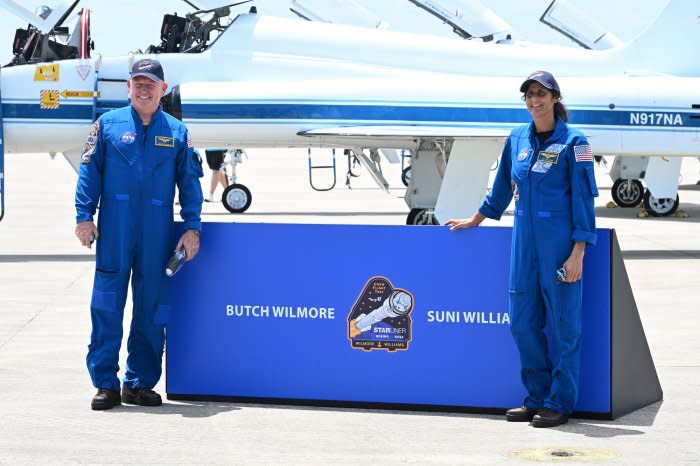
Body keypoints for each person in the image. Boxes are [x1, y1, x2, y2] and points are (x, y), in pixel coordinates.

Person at [446, 71, 598, 428]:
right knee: (522, 323)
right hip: (523, 243)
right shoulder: (516, 138)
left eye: (541, 94)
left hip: (559, 245)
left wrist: (578, 252)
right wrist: (475, 220)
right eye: (529, 94)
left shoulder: (578, 143)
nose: (535, 100)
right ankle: (536, 398)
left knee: (564, 326)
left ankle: (560, 402)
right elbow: (500, 188)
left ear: (555, 98)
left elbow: (584, 199)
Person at [74, 58, 204, 410]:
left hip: (157, 232)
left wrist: (193, 227)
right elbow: (89, 174)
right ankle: (106, 383)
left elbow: (190, 184)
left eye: (151, 84)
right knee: (106, 303)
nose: (144, 89)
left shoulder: (177, 133)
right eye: (138, 83)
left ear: (163, 90)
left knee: (152, 307)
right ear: (128, 88)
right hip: (115, 228)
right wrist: (84, 217)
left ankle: (138, 383)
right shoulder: (107, 126)